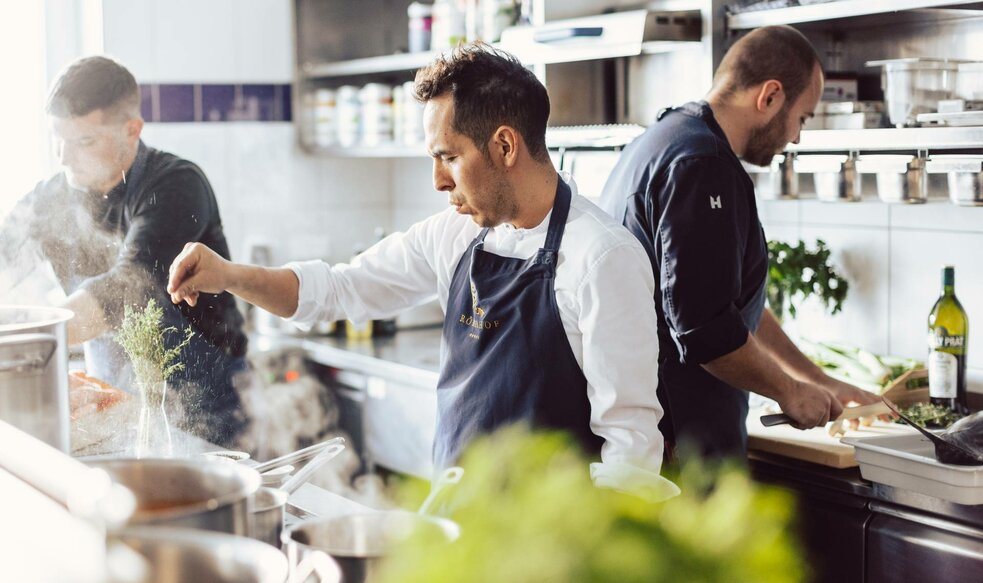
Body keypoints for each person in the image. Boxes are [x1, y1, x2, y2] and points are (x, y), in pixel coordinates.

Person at [168, 43, 679, 500]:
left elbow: (631, 447)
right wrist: (230, 275)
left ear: (505, 146)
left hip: (546, 546)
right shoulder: (454, 235)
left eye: (448, 157)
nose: (437, 180)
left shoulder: (602, 257)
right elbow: (338, 290)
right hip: (456, 530)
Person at [597, 26, 881, 460]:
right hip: (681, 439)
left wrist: (815, 379)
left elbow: (734, 307)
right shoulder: (702, 165)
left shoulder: (665, 138)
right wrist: (789, 393)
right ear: (769, 96)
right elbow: (706, 329)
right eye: (802, 118)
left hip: (663, 427)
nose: (797, 138)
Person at [0, 56, 248, 447]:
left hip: (206, 411)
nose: (64, 157)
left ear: (132, 130)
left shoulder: (177, 185)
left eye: (84, 141)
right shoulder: (51, 198)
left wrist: (25, 348)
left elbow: (129, 287)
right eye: (57, 139)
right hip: (111, 406)